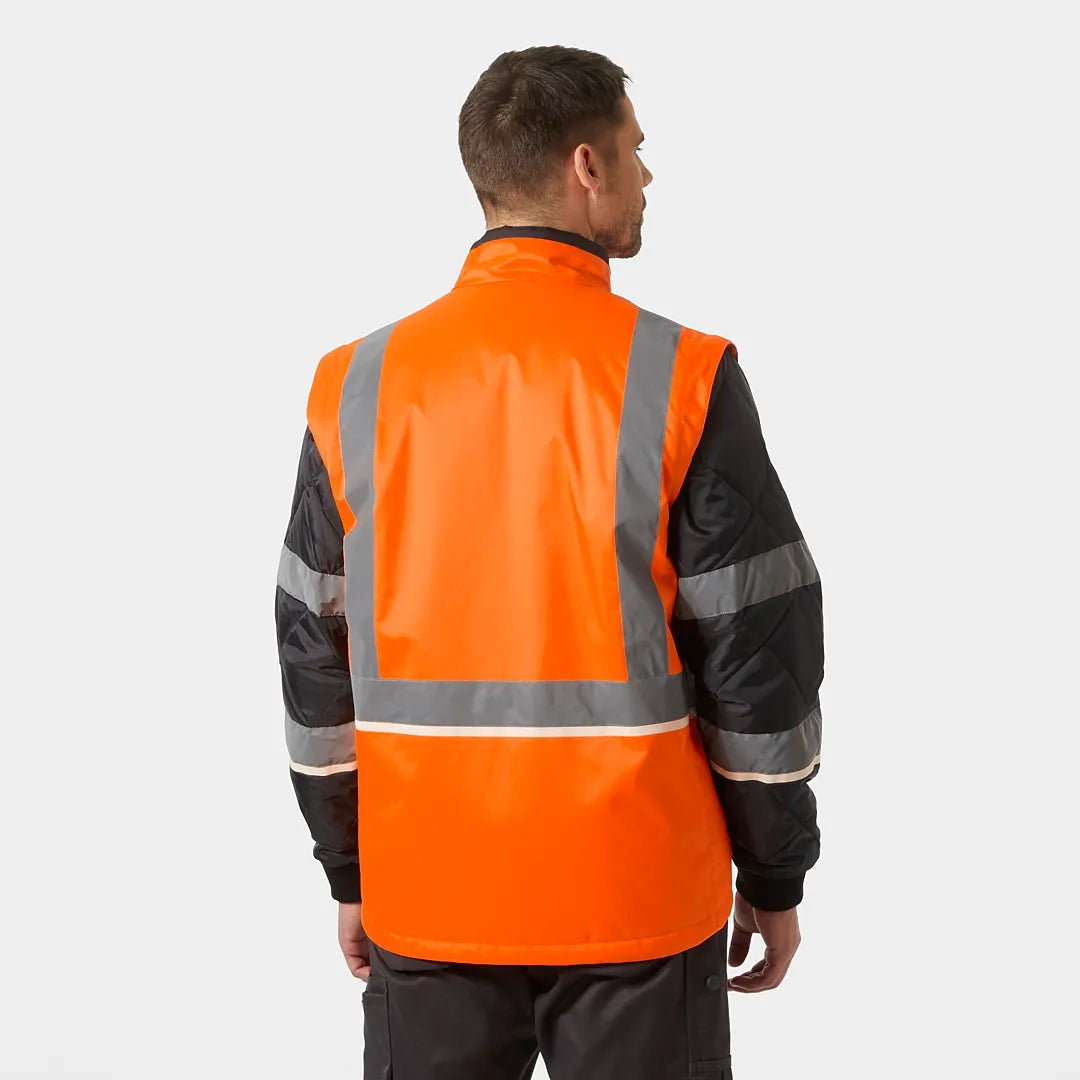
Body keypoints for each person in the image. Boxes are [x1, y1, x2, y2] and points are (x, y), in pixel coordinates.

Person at [274, 44, 824, 1080]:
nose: (647, 174)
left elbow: (313, 659)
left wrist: (350, 868)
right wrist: (776, 873)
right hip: (637, 903)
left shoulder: (355, 383)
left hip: (430, 895)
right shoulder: (682, 374)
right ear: (586, 166)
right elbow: (759, 657)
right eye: (636, 148)